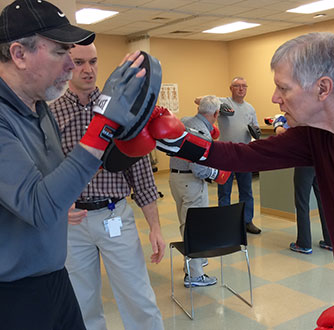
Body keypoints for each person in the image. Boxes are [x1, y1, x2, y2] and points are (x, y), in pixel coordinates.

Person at [150, 32, 334, 329]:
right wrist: (178, 142)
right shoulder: (317, 135)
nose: (275, 98)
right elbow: (246, 156)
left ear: (323, 88)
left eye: (283, 88)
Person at [0, 1, 154, 329]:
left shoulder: (39, 110)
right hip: (15, 293)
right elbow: (39, 206)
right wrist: (102, 126)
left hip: (55, 278)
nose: (72, 65)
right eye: (60, 52)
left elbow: (53, 181)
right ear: (19, 54)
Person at [49, 43, 165, 330]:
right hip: (74, 225)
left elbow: (140, 171)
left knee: (138, 297)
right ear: (66, 64)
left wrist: (155, 227)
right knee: (82, 301)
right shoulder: (51, 115)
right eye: (79, 62)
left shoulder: (120, 110)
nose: (88, 69)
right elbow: (45, 171)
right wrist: (59, 208)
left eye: (93, 62)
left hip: (115, 216)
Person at [169, 95, 230, 287]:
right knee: (195, 228)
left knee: (185, 223)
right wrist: (219, 172)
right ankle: (194, 275)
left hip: (175, 179)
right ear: (216, 114)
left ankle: (192, 260)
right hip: (191, 183)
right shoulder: (203, 133)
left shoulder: (186, 120)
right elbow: (199, 169)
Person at [197, 77, 261, 234]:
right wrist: (219, 106)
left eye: (244, 86)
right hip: (225, 154)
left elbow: (256, 128)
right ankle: (224, 222)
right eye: (237, 86)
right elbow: (198, 100)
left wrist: (255, 131)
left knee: (246, 190)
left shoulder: (250, 108)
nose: (241, 89)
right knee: (224, 190)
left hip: (244, 154)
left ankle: (247, 221)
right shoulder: (222, 102)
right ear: (230, 88)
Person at [273, 115, 332, 254]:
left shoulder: (300, 115)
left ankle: (304, 243)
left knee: (302, 202)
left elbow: (281, 132)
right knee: (323, 202)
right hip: (320, 160)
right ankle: (330, 241)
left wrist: (277, 124)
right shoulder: (319, 112)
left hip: (304, 162)